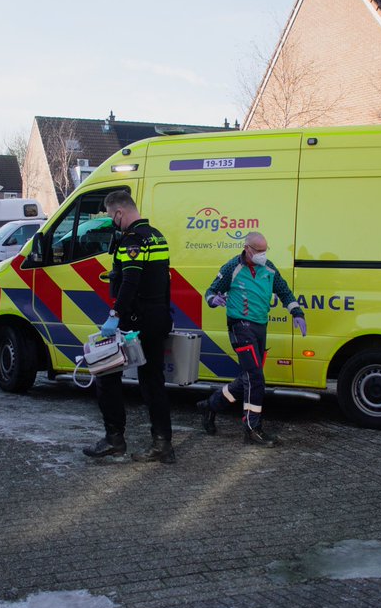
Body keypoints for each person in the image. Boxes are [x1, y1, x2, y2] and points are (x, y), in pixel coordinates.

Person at [82, 190, 176, 464]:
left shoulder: (132, 241)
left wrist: (115, 315)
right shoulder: (157, 236)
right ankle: (162, 444)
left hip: (135, 321)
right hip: (158, 317)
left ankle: (114, 440)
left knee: (105, 374)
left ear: (119, 213)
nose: (113, 221)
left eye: (112, 216)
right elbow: (163, 280)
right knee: (153, 382)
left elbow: (130, 282)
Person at [197, 232, 306, 447]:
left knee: (248, 377)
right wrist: (213, 299)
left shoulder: (269, 268)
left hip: (260, 326)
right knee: (256, 378)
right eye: (258, 251)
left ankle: (210, 405)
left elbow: (284, 291)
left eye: (265, 250)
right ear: (247, 248)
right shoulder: (233, 268)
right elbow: (210, 291)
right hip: (239, 326)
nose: (262, 255)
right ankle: (252, 428)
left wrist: (297, 312)